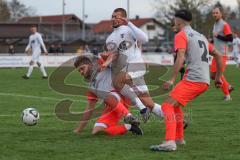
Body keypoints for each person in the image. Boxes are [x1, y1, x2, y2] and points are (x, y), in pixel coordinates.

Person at [150, 9, 223, 152]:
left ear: (178, 21)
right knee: (175, 106)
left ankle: (169, 142)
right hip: (203, 80)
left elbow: (180, 57)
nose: (174, 23)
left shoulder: (181, 35)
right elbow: (219, 56)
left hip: (193, 79)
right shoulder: (201, 36)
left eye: (174, 20)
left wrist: (171, 79)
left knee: (166, 106)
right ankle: (179, 138)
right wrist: (218, 77)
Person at [102, 8, 163, 122]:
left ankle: (142, 108)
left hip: (136, 66)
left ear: (123, 17)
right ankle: (177, 119)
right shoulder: (109, 38)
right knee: (150, 103)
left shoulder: (129, 30)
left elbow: (144, 39)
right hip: (127, 71)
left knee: (116, 82)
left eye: (117, 16)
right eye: (113, 16)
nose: (114, 18)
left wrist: (129, 23)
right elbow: (115, 55)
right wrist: (106, 62)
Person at [73, 54, 144, 136]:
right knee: (97, 132)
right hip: (111, 106)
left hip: (122, 97)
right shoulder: (91, 87)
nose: (81, 72)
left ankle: (129, 116)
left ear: (90, 64)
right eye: (79, 71)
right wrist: (78, 129)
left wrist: (105, 60)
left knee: (105, 95)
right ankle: (130, 127)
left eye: (82, 68)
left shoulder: (102, 65)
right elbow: (89, 110)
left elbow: (115, 55)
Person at [212, 6, 234, 101]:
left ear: (221, 14)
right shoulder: (215, 24)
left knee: (218, 75)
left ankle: (227, 95)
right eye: (213, 13)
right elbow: (216, 38)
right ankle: (228, 86)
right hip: (215, 53)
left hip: (222, 54)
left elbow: (230, 39)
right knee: (213, 75)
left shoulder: (224, 24)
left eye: (217, 13)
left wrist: (218, 36)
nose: (215, 15)